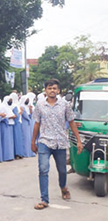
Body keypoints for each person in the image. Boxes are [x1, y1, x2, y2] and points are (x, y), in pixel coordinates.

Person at [31, 79, 83, 210]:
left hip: (60, 142)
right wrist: (33, 141)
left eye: (54, 88)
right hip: (44, 142)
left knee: (62, 170)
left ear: (58, 90)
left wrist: (78, 140)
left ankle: (63, 187)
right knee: (43, 169)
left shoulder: (65, 104)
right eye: (49, 88)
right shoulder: (40, 105)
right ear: (45, 90)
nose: (52, 90)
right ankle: (44, 199)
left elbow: (71, 122)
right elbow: (36, 123)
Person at [0, 95, 16, 161]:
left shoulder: (8, 107)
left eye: (11, 101)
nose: (10, 102)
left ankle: (10, 156)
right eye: (9, 101)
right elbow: (1, 116)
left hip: (10, 124)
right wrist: (10, 117)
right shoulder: (2, 106)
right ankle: (6, 156)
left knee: (10, 141)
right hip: (5, 125)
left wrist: (13, 116)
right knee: (6, 141)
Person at [11, 93, 26, 159]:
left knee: (19, 138)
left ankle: (19, 153)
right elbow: (16, 115)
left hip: (18, 123)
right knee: (17, 138)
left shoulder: (16, 105)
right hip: (16, 123)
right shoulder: (14, 106)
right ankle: (17, 153)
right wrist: (21, 112)